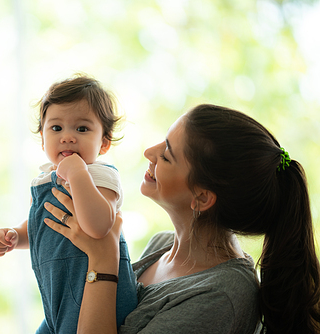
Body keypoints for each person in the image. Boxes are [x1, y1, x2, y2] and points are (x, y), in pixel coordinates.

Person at [44, 104, 320, 333]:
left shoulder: (220, 296)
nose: (149, 153)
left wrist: (102, 262)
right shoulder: (160, 246)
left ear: (201, 198)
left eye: (166, 155)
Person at [0, 74, 137, 333]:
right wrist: (16, 235)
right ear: (42, 136)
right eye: (56, 128)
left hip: (97, 292)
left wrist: (78, 174)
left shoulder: (99, 175)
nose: (67, 137)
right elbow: (43, 222)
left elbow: (100, 226)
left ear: (104, 142)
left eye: (82, 129)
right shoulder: (44, 180)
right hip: (56, 296)